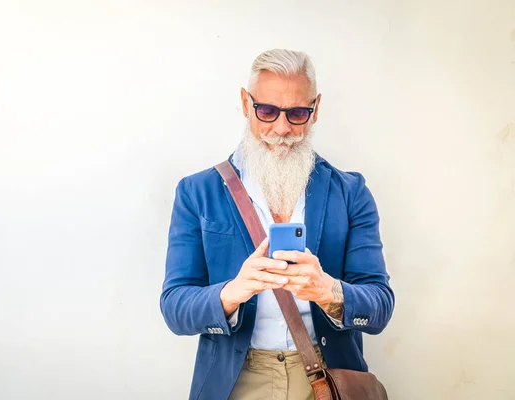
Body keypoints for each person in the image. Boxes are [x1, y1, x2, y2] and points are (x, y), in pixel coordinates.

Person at [160, 48, 395, 400]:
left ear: (315, 110)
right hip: (236, 379)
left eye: (298, 113)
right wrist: (231, 293)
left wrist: (330, 293)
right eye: (267, 111)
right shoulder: (197, 192)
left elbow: (380, 306)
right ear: (245, 103)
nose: (282, 128)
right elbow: (175, 307)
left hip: (327, 379)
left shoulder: (351, 192)